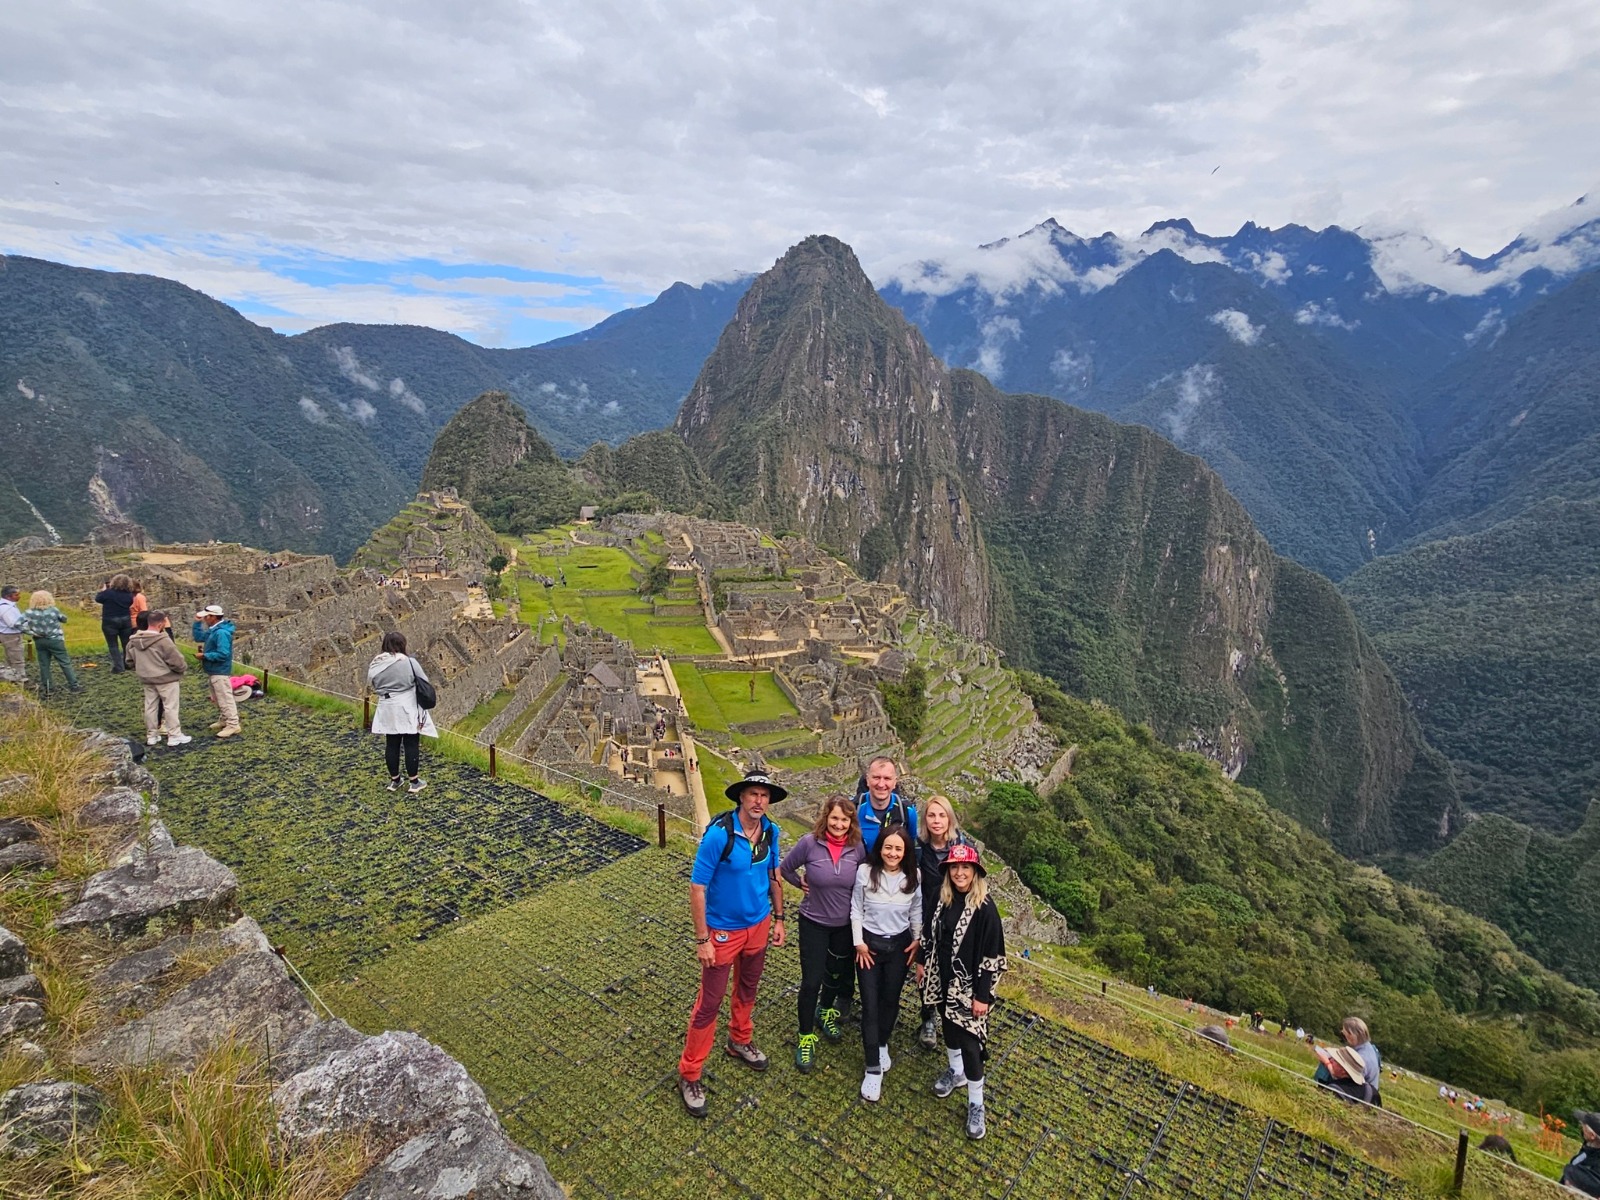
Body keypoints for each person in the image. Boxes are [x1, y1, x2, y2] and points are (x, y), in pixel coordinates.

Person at [679, 771, 786, 1119]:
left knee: (748, 987)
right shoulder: (718, 836)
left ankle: (739, 1039)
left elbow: (773, 874)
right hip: (723, 930)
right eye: (753, 794)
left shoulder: (771, 832)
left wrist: (780, 918)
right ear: (741, 797)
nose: (759, 801)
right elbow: (697, 888)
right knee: (709, 1003)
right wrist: (702, 939)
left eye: (764, 796)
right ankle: (690, 1073)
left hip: (759, 924)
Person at [918, 842, 1006, 1141]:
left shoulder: (985, 908)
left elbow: (992, 956)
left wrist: (982, 996)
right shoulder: (943, 899)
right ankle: (955, 1073)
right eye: (954, 867)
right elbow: (929, 934)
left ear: (975, 872)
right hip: (943, 980)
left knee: (970, 1044)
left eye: (965, 867)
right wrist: (921, 963)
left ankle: (976, 1103)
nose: (959, 873)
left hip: (969, 989)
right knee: (950, 1031)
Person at [778, 794, 866, 1072]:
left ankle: (825, 1011)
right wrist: (799, 883)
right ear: (826, 818)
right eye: (835, 818)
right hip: (813, 922)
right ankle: (805, 1036)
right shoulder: (809, 843)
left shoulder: (858, 848)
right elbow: (785, 869)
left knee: (836, 975)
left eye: (845, 819)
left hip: (844, 926)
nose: (839, 824)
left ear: (851, 822)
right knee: (811, 981)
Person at [851, 825, 920, 1101]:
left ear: (905, 852)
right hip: (869, 945)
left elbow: (917, 909)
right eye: (888, 847)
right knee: (870, 1003)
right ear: (880, 848)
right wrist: (858, 942)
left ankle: (881, 1043)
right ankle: (872, 1069)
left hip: (899, 947)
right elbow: (856, 907)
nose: (892, 853)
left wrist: (917, 939)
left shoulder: (913, 876)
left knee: (891, 999)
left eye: (898, 848)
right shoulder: (865, 872)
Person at [915, 794, 974, 1048]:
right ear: (925, 820)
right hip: (927, 919)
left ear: (950, 818)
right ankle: (928, 1018)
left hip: (955, 920)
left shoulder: (963, 847)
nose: (936, 821)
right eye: (931, 815)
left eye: (942, 815)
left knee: (954, 973)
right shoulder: (918, 848)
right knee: (925, 972)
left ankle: (954, 1020)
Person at [367, 632, 437, 793]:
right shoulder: (408, 662)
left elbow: (372, 683)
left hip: (386, 705)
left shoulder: (376, 663)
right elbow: (423, 679)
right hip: (405, 705)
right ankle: (414, 782)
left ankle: (395, 780)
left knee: (392, 743)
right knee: (411, 742)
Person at [125, 612, 191, 746]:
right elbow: (177, 661)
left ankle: (152, 735)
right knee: (170, 706)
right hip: (166, 678)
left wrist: (142, 668)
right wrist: (180, 669)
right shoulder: (163, 641)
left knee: (150, 706)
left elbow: (129, 660)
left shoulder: (133, 641)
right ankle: (174, 735)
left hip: (147, 678)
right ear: (161, 624)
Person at [191, 604, 241, 738]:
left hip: (220, 670)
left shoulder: (221, 633)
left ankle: (233, 724)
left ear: (213, 617)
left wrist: (205, 656)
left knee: (225, 698)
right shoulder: (214, 630)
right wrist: (197, 623)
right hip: (214, 670)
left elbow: (223, 653)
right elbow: (199, 637)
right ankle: (225, 719)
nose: (205, 619)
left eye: (206, 617)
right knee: (218, 697)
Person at [19, 591, 79, 696]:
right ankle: (74, 686)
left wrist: (31, 632)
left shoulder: (29, 612)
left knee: (44, 665)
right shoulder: (53, 610)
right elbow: (64, 619)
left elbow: (17, 624)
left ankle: (48, 688)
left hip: (40, 640)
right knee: (64, 662)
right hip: (55, 639)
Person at [855, 756, 919, 850]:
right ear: (867, 780)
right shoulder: (853, 809)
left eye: (887, 778)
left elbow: (910, 847)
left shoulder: (907, 812)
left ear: (894, 782)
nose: (881, 784)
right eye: (876, 777)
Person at [94, 574, 138, 672]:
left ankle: (118, 666)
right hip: (125, 620)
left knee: (113, 645)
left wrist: (104, 590)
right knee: (126, 643)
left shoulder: (108, 593)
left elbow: (98, 598)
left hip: (110, 620)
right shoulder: (129, 595)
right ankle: (127, 663)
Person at [1339, 1016, 1383, 1107]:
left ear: (1351, 1035)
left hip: (1366, 1096)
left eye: (1345, 1033)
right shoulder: (1369, 1048)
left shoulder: (1363, 1058)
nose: (1344, 1035)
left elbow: (1353, 1079)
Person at [1564, 1112, 1600, 1197]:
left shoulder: (1597, 1163)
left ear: (1592, 1135)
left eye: (1584, 1126)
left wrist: (1572, 1178)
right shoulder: (1589, 1146)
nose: (1582, 1127)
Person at [0, 585, 25, 683]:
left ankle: (10, 679)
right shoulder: (6, 608)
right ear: (8, 596)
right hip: (11, 635)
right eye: (16, 595)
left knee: (11, 658)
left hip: (9, 634)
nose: (19, 596)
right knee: (17, 659)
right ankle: (20, 679)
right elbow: (12, 623)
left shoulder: (8, 606)